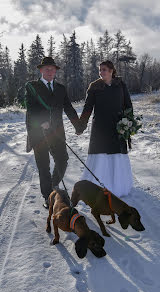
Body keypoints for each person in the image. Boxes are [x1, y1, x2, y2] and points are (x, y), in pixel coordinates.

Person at [24, 57, 81, 208]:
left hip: (57, 132)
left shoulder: (61, 88)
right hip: (38, 133)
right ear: (41, 70)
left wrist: (78, 124)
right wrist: (41, 121)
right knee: (44, 165)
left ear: (56, 71)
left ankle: (54, 185)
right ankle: (48, 196)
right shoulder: (32, 86)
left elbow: (68, 107)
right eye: (47, 69)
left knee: (63, 159)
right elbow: (30, 108)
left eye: (52, 69)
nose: (50, 71)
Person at [78, 60, 133, 197]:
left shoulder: (120, 85)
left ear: (111, 71)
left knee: (116, 156)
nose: (101, 72)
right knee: (101, 156)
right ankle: (98, 188)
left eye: (104, 70)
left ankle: (118, 186)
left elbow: (128, 105)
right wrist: (81, 125)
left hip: (118, 127)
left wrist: (129, 123)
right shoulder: (94, 87)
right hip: (100, 128)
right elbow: (87, 108)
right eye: (100, 70)